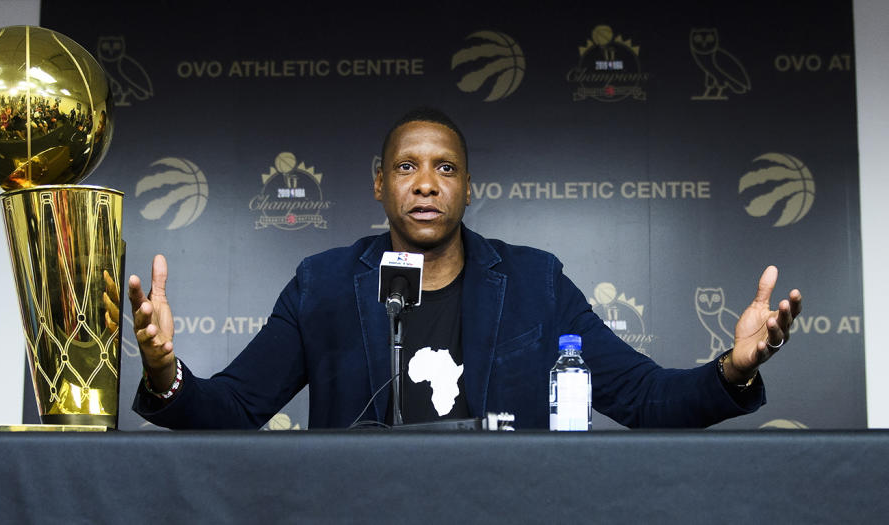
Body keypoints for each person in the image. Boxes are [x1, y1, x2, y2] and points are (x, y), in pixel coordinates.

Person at [129, 107, 802, 429]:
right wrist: (164, 371)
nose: (425, 183)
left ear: (469, 187)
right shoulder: (324, 284)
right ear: (378, 185)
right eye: (406, 167)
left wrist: (733, 368)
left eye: (445, 168)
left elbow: (646, 398)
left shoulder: (536, 283)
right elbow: (235, 407)